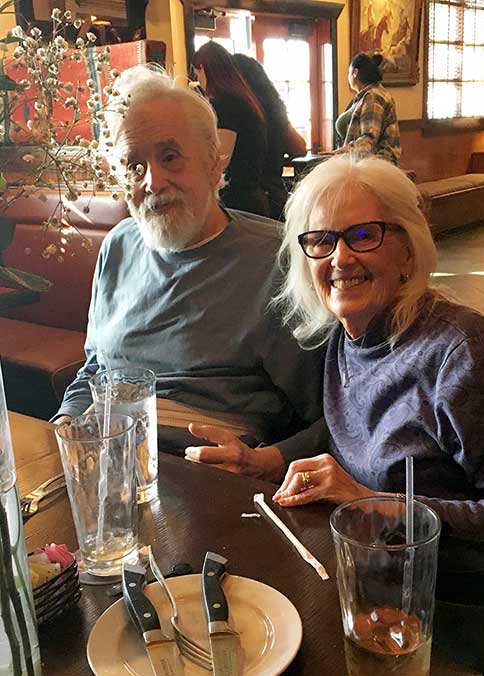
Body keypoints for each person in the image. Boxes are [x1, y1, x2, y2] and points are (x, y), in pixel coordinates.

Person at [194, 153, 484, 550]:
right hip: (371, 571)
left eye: (364, 235)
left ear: (409, 251)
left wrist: (374, 506)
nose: (340, 258)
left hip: (459, 594)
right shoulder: (347, 334)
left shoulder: (470, 356)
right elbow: (354, 425)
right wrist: (266, 461)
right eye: (322, 240)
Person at [54, 65, 324, 481]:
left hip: (209, 479)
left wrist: (269, 461)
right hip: (104, 464)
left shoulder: (279, 259)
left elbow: (339, 410)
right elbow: (94, 369)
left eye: (170, 157)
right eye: (133, 165)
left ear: (215, 165)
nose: (152, 181)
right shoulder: (118, 246)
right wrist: (66, 429)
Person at [192, 42, 270, 216]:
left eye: (197, 74)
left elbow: (221, 158)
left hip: (238, 200)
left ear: (203, 68)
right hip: (252, 196)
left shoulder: (225, 103)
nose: (198, 82)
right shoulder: (243, 99)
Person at [233, 53, 307, 220]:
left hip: (243, 204)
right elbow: (300, 148)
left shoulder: (231, 112)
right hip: (274, 196)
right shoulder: (273, 109)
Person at [335, 53, 402, 166]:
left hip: (375, 166)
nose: (348, 76)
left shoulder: (373, 97)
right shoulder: (366, 95)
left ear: (355, 73)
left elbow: (369, 139)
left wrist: (341, 152)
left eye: (349, 72)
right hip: (363, 162)